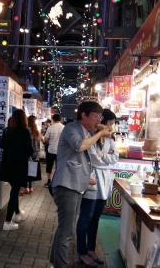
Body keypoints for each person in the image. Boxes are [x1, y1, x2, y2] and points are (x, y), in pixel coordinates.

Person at [50, 101, 112, 268]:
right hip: (66, 186)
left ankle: (54, 261)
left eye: (100, 117)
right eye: (95, 116)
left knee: (65, 227)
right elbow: (79, 147)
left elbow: (82, 159)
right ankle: (61, 265)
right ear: (83, 115)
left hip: (75, 186)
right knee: (67, 231)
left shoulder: (86, 131)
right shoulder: (72, 128)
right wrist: (99, 134)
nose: (99, 120)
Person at [76, 109, 119, 266]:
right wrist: (104, 157)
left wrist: (104, 157)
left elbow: (114, 158)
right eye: (110, 124)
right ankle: (81, 251)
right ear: (101, 123)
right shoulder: (91, 138)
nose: (111, 127)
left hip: (105, 180)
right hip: (93, 179)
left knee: (96, 218)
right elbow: (94, 158)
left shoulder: (111, 140)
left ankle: (91, 248)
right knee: (85, 218)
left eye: (113, 124)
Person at [0, 109, 33, 231]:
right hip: (19, 166)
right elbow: (30, 150)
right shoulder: (25, 132)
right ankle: (7, 222)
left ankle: (17, 213)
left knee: (14, 189)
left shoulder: (7, 130)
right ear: (23, 119)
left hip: (7, 165)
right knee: (14, 192)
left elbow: (2, 145)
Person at [44, 114, 64, 188]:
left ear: (53, 119)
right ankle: (58, 182)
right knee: (59, 167)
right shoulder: (64, 128)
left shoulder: (50, 128)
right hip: (60, 151)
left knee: (49, 166)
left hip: (51, 150)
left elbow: (45, 140)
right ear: (60, 119)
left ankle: (49, 181)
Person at [25, 115, 43, 194]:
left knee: (25, 170)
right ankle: (31, 187)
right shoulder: (36, 131)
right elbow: (40, 141)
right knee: (31, 171)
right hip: (35, 154)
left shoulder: (25, 130)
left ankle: (26, 187)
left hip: (27, 153)